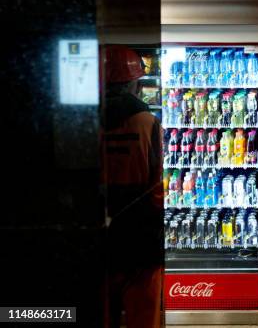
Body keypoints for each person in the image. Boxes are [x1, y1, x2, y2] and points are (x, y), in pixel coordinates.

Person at [102, 45, 164, 328]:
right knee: (143, 311)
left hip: (104, 232)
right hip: (141, 233)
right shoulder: (147, 123)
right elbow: (158, 185)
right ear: (135, 83)